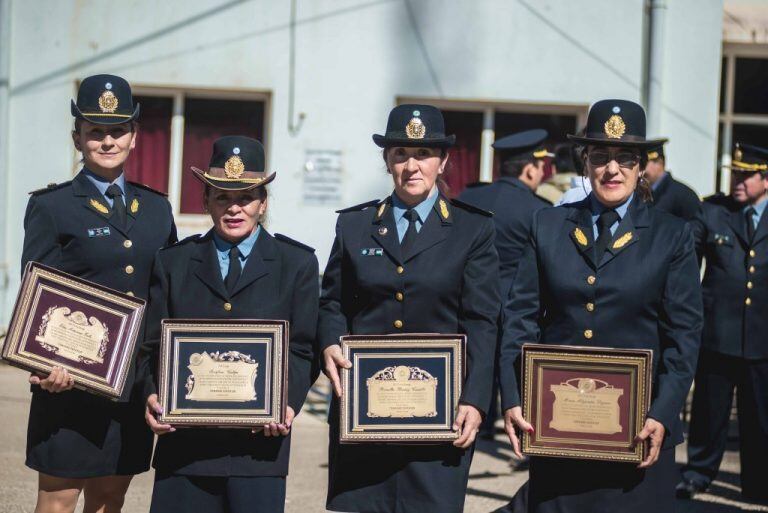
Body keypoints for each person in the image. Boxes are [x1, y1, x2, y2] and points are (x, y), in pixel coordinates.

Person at [500, 99, 703, 512]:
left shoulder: (671, 235)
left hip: (637, 429)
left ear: (642, 165)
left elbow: (684, 336)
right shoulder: (548, 225)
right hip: (558, 424)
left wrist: (663, 413)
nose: (612, 169)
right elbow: (520, 318)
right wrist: (513, 397)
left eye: (625, 158)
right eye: (600, 156)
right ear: (585, 163)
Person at [319, 104, 500, 513]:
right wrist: (329, 342)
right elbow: (332, 300)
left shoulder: (473, 229)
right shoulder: (355, 225)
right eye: (400, 154)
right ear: (387, 161)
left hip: (441, 414)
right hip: (365, 413)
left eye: (423, 154)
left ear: (444, 161)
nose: (411, 166)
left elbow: (482, 321)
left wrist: (475, 400)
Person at [20, 74, 177, 513]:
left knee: (110, 498)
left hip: (130, 383)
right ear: (78, 138)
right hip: (69, 382)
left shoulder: (157, 208)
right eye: (95, 131)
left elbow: (164, 291)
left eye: (117, 130)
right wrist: (44, 361)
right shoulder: (51, 207)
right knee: (58, 498)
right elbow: (37, 292)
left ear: (133, 137)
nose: (107, 141)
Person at [140, 136, 318, 513]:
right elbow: (150, 344)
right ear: (205, 200)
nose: (234, 208)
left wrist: (286, 403)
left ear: (263, 203)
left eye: (246, 197)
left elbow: (303, 348)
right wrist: (152, 395)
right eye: (222, 197)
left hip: (259, 451)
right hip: (185, 449)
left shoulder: (296, 264)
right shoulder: (173, 263)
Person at [676, 143, 768, 503]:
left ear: (766, 179)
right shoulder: (713, 210)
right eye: (735, 173)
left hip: (762, 335)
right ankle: (698, 473)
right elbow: (686, 261)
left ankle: (759, 484)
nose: (738, 181)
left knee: (760, 418)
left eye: (747, 175)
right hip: (717, 330)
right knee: (709, 410)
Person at [458, 129, 553, 441]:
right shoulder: (539, 210)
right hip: (514, 300)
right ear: (529, 169)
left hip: (469, 297)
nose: (542, 174)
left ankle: (476, 420)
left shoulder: (469, 197)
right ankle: (517, 420)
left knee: (475, 359)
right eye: (541, 167)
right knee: (512, 364)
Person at [643, 142, 701, 221]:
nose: (642, 171)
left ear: (659, 163)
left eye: (644, 163)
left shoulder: (683, 195)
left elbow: (697, 229)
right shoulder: (643, 192)